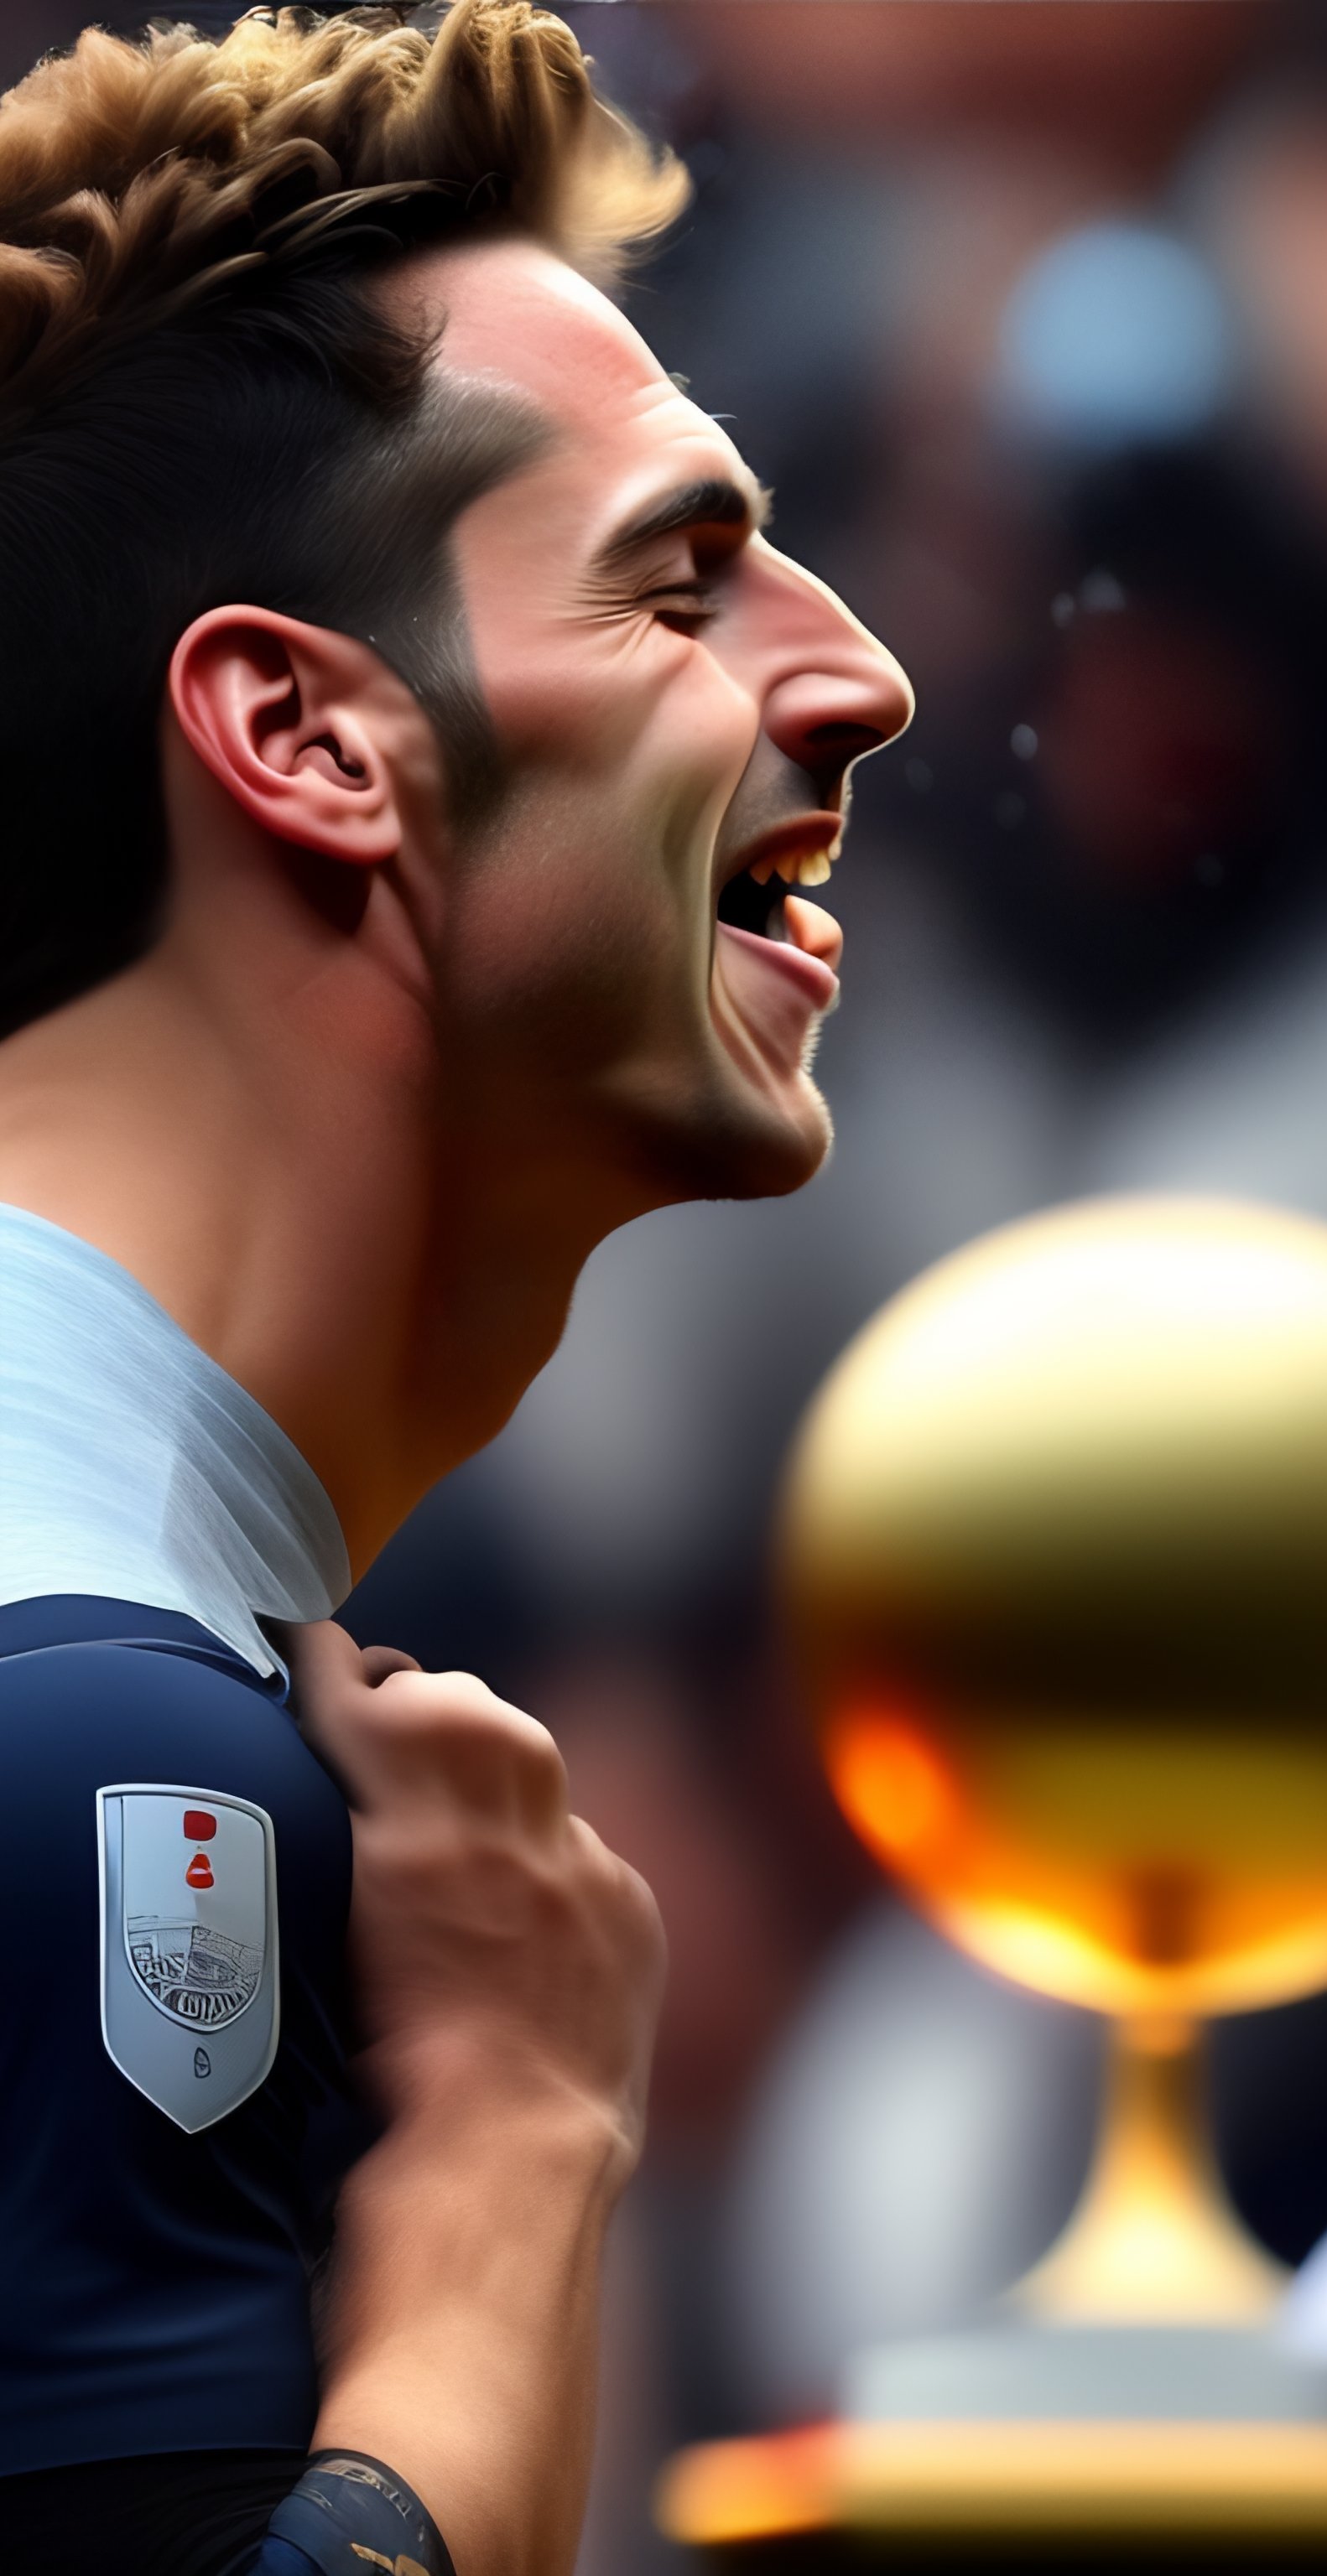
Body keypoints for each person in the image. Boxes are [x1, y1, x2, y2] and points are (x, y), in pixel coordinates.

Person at [0, 6, 913, 2571]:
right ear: (306, 736)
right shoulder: (98, 1749)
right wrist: (516, 2152)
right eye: (680, 581)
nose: (859, 679)